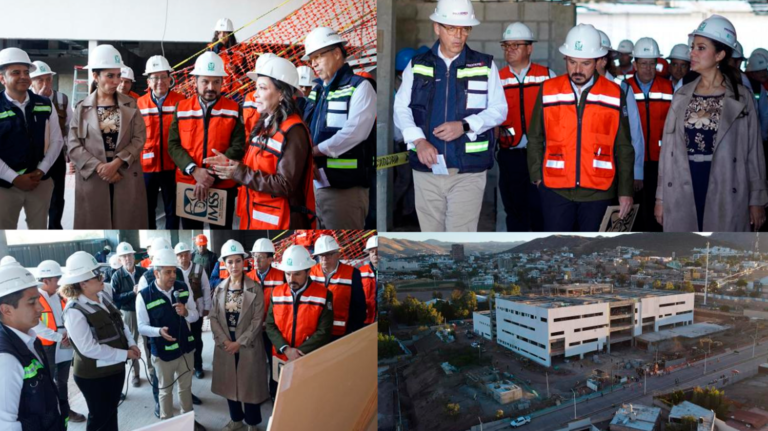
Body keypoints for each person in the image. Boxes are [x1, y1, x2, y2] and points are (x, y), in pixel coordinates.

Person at [393, 0, 507, 231]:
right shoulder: (417, 65)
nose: (459, 35)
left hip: (468, 171)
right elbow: (401, 108)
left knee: (459, 241)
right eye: (452, 28)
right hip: (427, 169)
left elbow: (499, 109)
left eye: (464, 29)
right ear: (437, 27)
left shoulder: (484, 65)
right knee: (431, 241)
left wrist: (465, 125)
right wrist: (419, 140)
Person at [655, 15, 768, 231]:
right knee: (687, 255)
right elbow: (667, 152)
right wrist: (660, 198)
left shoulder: (741, 98)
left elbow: (754, 152)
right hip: (683, 184)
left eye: (700, 48)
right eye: (693, 47)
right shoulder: (681, 96)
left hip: (726, 185)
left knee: (723, 255)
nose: (692, 53)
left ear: (719, 55)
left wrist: (757, 200)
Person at [527, 24, 634, 231]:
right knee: (558, 253)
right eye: (572, 62)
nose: (577, 70)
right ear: (565, 59)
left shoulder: (614, 93)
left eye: (585, 63)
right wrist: (537, 178)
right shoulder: (548, 90)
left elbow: (623, 146)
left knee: (591, 254)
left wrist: (625, 190)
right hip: (555, 191)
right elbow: (535, 137)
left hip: (599, 192)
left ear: (598, 62)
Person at [206, 54, 316, 229]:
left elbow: (285, 184)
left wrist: (239, 173)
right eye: (256, 88)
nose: (255, 94)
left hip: (281, 221)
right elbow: (256, 167)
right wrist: (231, 165)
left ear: (281, 93)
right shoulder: (265, 124)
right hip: (256, 217)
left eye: (262, 88)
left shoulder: (294, 131)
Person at [302, 26, 376, 229]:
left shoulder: (360, 87)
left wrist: (314, 152)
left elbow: (355, 132)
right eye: (311, 59)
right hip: (315, 186)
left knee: (343, 242)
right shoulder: (317, 90)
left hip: (345, 189)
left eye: (318, 56)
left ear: (336, 53)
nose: (314, 63)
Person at [68, 44, 149, 228]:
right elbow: (73, 145)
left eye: (118, 75)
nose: (116, 81)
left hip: (124, 174)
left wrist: (116, 164)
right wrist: (100, 168)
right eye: (110, 76)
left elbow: (139, 138)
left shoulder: (131, 105)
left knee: (127, 220)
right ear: (95, 76)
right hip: (94, 178)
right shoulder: (81, 108)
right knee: (95, 220)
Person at [59, 251, 139, 431]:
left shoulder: (103, 297)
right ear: (83, 283)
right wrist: (124, 353)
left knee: (111, 413)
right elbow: (89, 349)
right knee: (99, 418)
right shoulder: (74, 311)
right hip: (94, 377)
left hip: (114, 368)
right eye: (97, 275)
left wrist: (131, 342)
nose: (102, 277)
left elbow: (121, 323)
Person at [167, 51, 245, 229]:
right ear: (195, 81)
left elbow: (238, 146)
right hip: (189, 184)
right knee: (190, 231)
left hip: (222, 185)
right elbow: (173, 145)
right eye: (205, 81)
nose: (211, 87)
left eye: (216, 82)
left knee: (222, 232)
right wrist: (194, 171)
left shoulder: (234, 109)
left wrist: (209, 175)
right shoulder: (182, 108)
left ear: (222, 82)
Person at [136, 249, 206, 431]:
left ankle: (188, 422)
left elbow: (195, 316)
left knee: (185, 388)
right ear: (156, 273)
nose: (173, 275)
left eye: (174, 271)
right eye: (168, 272)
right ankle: (168, 425)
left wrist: (186, 312)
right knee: (165, 391)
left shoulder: (182, 288)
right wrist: (158, 331)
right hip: (163, 354)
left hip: (185, 350)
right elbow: (141, 326)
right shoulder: (144, 295)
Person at [496, 22, 555, 232]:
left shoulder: (548, 76)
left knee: (540, 208)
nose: (509, 50)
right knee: (514, 210)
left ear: (529, 48)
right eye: (506, 46)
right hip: (509, 154)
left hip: (540, 155)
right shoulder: (496, 79)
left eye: (516, 45)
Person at [0, 48, 63, 229]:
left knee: (39, 228)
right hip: (5, 186)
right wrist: (14, 178)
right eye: (16, 72)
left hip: (39, 183)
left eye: (26, 72)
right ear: (2, 78)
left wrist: (41, 170)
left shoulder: (44, 103)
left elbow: (57, 141)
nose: (23, 76)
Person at [209, 240, 268, 431]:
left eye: (237, 261)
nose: (234, 266)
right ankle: (236, 419)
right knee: (230, 384)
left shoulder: (255, 288)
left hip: (247, 345)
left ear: (244, 262)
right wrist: (226, 341)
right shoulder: (219, 289)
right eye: (230, 262)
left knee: (248, 385)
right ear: (224, 264)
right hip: (226, 344)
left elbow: (257, 320)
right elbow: (213, 317)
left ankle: (252, 423)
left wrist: (239, 342)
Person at [0, 266, 67, 431]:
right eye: (32, 302)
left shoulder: (29, 338)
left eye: (38, 299)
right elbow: (6, 425)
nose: (41, 308)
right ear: (6, 310)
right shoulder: (5, 359)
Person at [625, 37, 673, 232]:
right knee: (633, 210)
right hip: (631, 160)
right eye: (643, 63)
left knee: (657, 209)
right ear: (635, 64)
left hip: (660, 160)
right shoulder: (623, 88)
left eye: (652, 63)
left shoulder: (669, 88)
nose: (648, 68)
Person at [265, 245, 333, 376]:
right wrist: (285, 349)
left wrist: (298, 353)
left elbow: (324, 331)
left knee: (306, 392)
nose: (291, 279)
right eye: (288, 274)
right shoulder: (277, 293)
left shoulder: (324, 295)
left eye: (297, 274)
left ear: (308, 272)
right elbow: (270, 325)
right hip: (281, 357)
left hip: (308, 357)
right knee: (280, 393)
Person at [32, 260, 86, 423]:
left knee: (62, 380)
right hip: (47, 346)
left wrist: (70, 334)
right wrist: (58, 337)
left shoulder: (60, 295)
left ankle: (65, 411)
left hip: (65, 343)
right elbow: (36, 325)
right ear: (45, 280)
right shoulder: (35, 298)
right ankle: (50, 414)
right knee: (46, 383)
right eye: (56, 280)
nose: (59, 283)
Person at [597, 30, 645, 206]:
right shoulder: (575, 89)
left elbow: (635, 133)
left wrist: (636, 172)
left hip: (615, 170)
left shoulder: (622, 89)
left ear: (605, 59)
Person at [138, 55, 186, 229]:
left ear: (170, 78)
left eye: (163, 77)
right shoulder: (139, 103)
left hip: (173, 166)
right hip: (147, 167)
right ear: (149, 81)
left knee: (173, 209)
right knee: (147, 208)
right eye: (155, 78)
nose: (160, 82)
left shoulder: (181, 101)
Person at [29, 60, 72, 230]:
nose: (45, 84)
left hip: (57, 156)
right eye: (40, 80)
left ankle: (55, 226)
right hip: (34, 157)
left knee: (57, 195)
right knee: (35, 196)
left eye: (48, 79)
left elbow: (69, 127)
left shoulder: (62, 99)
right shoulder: (26, 100)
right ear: (31, 81)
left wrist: (70, 155)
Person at [245, 238, 284, 398]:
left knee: (274, 360)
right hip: (253, 329)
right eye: (255, 256)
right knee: (255, 363)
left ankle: (274, 392)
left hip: (272, 328)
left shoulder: (281, 276)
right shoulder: (247, 277)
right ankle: (258, 392)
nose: (257, 260)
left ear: (270, 258)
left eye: (261, 257)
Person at [309, 235, 366, 340]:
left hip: (342, 334)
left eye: (329, 254)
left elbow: (359, 306)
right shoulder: (310, 273)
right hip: (315, 333)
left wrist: (353, 330)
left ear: (338, 254)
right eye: (321, 255)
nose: (324, 258)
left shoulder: (352, 273)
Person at [110, 241, 147, 388]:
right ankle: (135, 374)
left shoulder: (143, 272)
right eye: (124, 256)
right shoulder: (117, 277)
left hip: (144, 312)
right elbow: (115, 299)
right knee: (132, 343)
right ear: (119, 259)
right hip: (129, 313)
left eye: (129, 255)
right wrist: (132, 292)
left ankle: (152, 371)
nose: (127, 259)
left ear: (134, 256)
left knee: (148, 342)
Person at [174, 242, 211, 379]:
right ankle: (183, 366)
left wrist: (207, 307)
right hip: (178, 312)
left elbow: (206, 288)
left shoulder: (198, 269)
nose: (183, 258)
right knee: (181, 338)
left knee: (196, 338)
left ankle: (198, 365)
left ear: (190, 254)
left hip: (196, 309)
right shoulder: (174, 271)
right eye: (180, 255)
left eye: (186, 254)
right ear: (176, 257)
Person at [359, 236, 378, 325]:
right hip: (366, 319)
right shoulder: (360, 272)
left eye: (378, 251)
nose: (375, 254)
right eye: (372, 251)